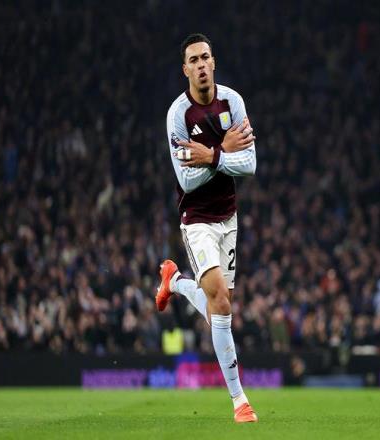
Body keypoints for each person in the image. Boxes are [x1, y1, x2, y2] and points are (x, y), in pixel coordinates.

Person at [156, 33, 258, 423]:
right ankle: (239, 401)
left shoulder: (233, 102)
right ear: (185, 69)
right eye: (194, 60)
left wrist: (213, 155)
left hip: (228, 218)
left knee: (219, 309)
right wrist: (224, 151)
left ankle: (176, 282)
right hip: (196, 218)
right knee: (221, 303)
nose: (201, 65)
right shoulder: (178, 115)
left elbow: (250, 164)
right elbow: (186, 178)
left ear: (214, 62)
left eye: (205, 57)